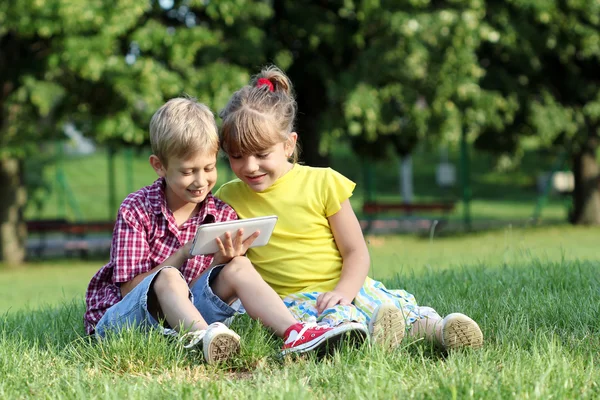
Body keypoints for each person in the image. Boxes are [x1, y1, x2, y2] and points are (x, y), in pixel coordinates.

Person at [215, 67, 484, 352]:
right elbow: (229, 268)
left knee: (387, 308)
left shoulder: (323, 182)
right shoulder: (229, 196)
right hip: (289, 301)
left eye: (261, 154)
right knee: (338, 324)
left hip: (345, 286)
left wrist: (344, 291)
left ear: (288, 145)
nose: (250, 166)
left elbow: (355, 250)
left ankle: (442, 331)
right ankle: (376, 337)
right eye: (237, 156)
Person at [84, 97, 367, 365]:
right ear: (159, 166)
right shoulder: (136, 209)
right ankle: (204, 338)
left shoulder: (221, 212)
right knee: (168, 277)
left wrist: (222, 262)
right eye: (187, 172)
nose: (200, 181)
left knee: (240, 266)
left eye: (208, 168)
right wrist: (184, 253)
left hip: (194, 316)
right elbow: (130, 290)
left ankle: (295, 333)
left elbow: (209, 287)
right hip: (132, 320)